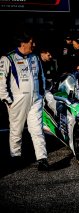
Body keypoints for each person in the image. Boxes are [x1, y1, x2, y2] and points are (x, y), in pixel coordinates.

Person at [0, 31, 50, 171]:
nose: (33, 45)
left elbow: (41, 76)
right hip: (17, 100)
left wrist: (41, 94)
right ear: (23, 43)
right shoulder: (8, 58)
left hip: (35, 100)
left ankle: (42, 159)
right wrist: (7, 99)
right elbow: (1, 81)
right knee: (17, 130)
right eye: (31, 42)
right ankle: (16, 156)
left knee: (37, 130)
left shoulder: (35, 57)